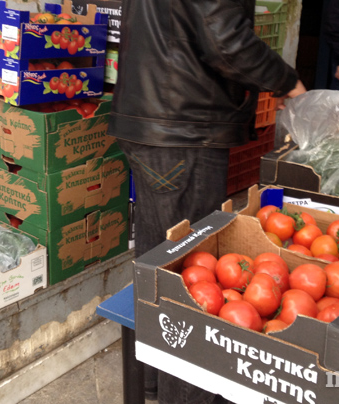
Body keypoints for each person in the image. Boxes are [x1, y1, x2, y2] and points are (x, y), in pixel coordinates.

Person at [107, 0, 306, 402]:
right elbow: (226, 40)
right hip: (183, 129)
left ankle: (151, 379)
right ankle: (183, 393)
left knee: (157, 262)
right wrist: (285, 80)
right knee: (188, 275)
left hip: (152, 118)